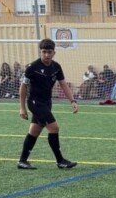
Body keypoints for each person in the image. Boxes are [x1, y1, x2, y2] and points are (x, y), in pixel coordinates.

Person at [17, 38, 78, 170]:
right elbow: (23, 87)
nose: (46, 55)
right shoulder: (32, 67)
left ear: (54, 53)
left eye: (49, 52)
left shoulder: (56, 67)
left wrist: (72, 101)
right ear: (40, 52)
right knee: (54, 128)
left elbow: (63, 84)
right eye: (44, 52)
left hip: (47, 103)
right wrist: (22, 108)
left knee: (34, 131)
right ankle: (60, 160)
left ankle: (22, 161)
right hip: (35, 102)